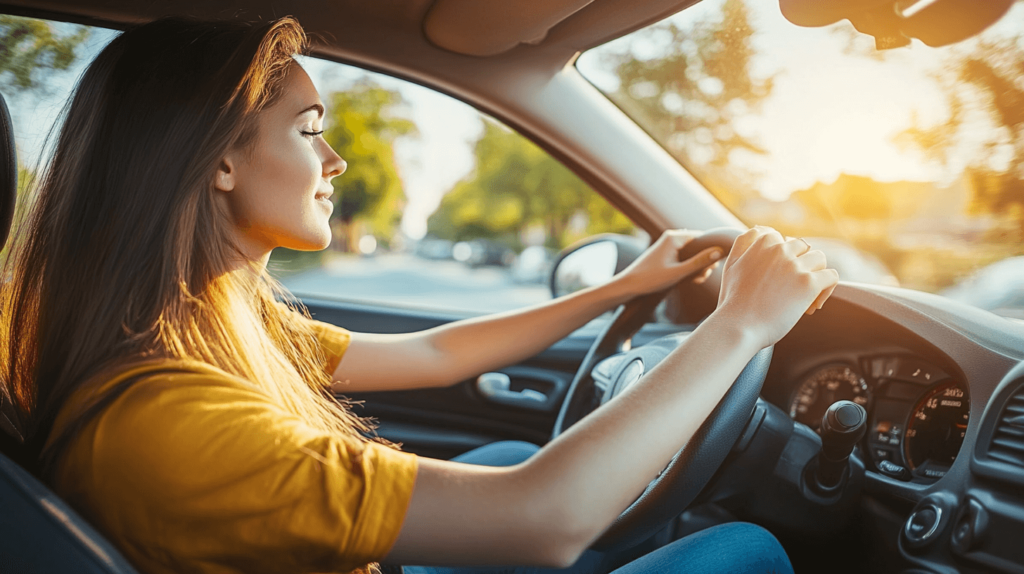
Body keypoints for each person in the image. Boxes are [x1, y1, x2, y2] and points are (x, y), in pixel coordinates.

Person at [0, 15, 837, 574]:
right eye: (310, 130)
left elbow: (439, 353)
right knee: (741, 551)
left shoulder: (209, 321)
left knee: (508, 456)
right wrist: (738, 326)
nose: (336, 164)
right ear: (219, 161)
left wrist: (620, 287)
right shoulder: (167, 421)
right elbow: (546, 520)